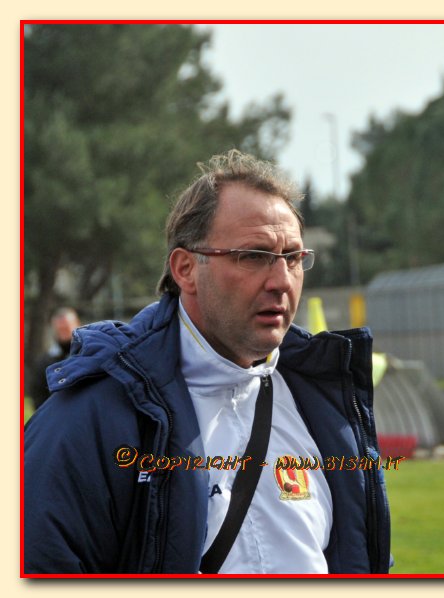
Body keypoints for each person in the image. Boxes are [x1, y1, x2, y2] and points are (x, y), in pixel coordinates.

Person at [24, 150, 391, 575]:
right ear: (185, 269)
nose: (281, 281)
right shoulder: (91, 418)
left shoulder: (327, 404)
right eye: (253, 255)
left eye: (292, 257)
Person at [28, 307, 81, 410]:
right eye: (60, 329)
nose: (64, 332)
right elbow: (38, 397)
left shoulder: (88, 355)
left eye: (67, 328)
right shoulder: (45, 362)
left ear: (77, 324)